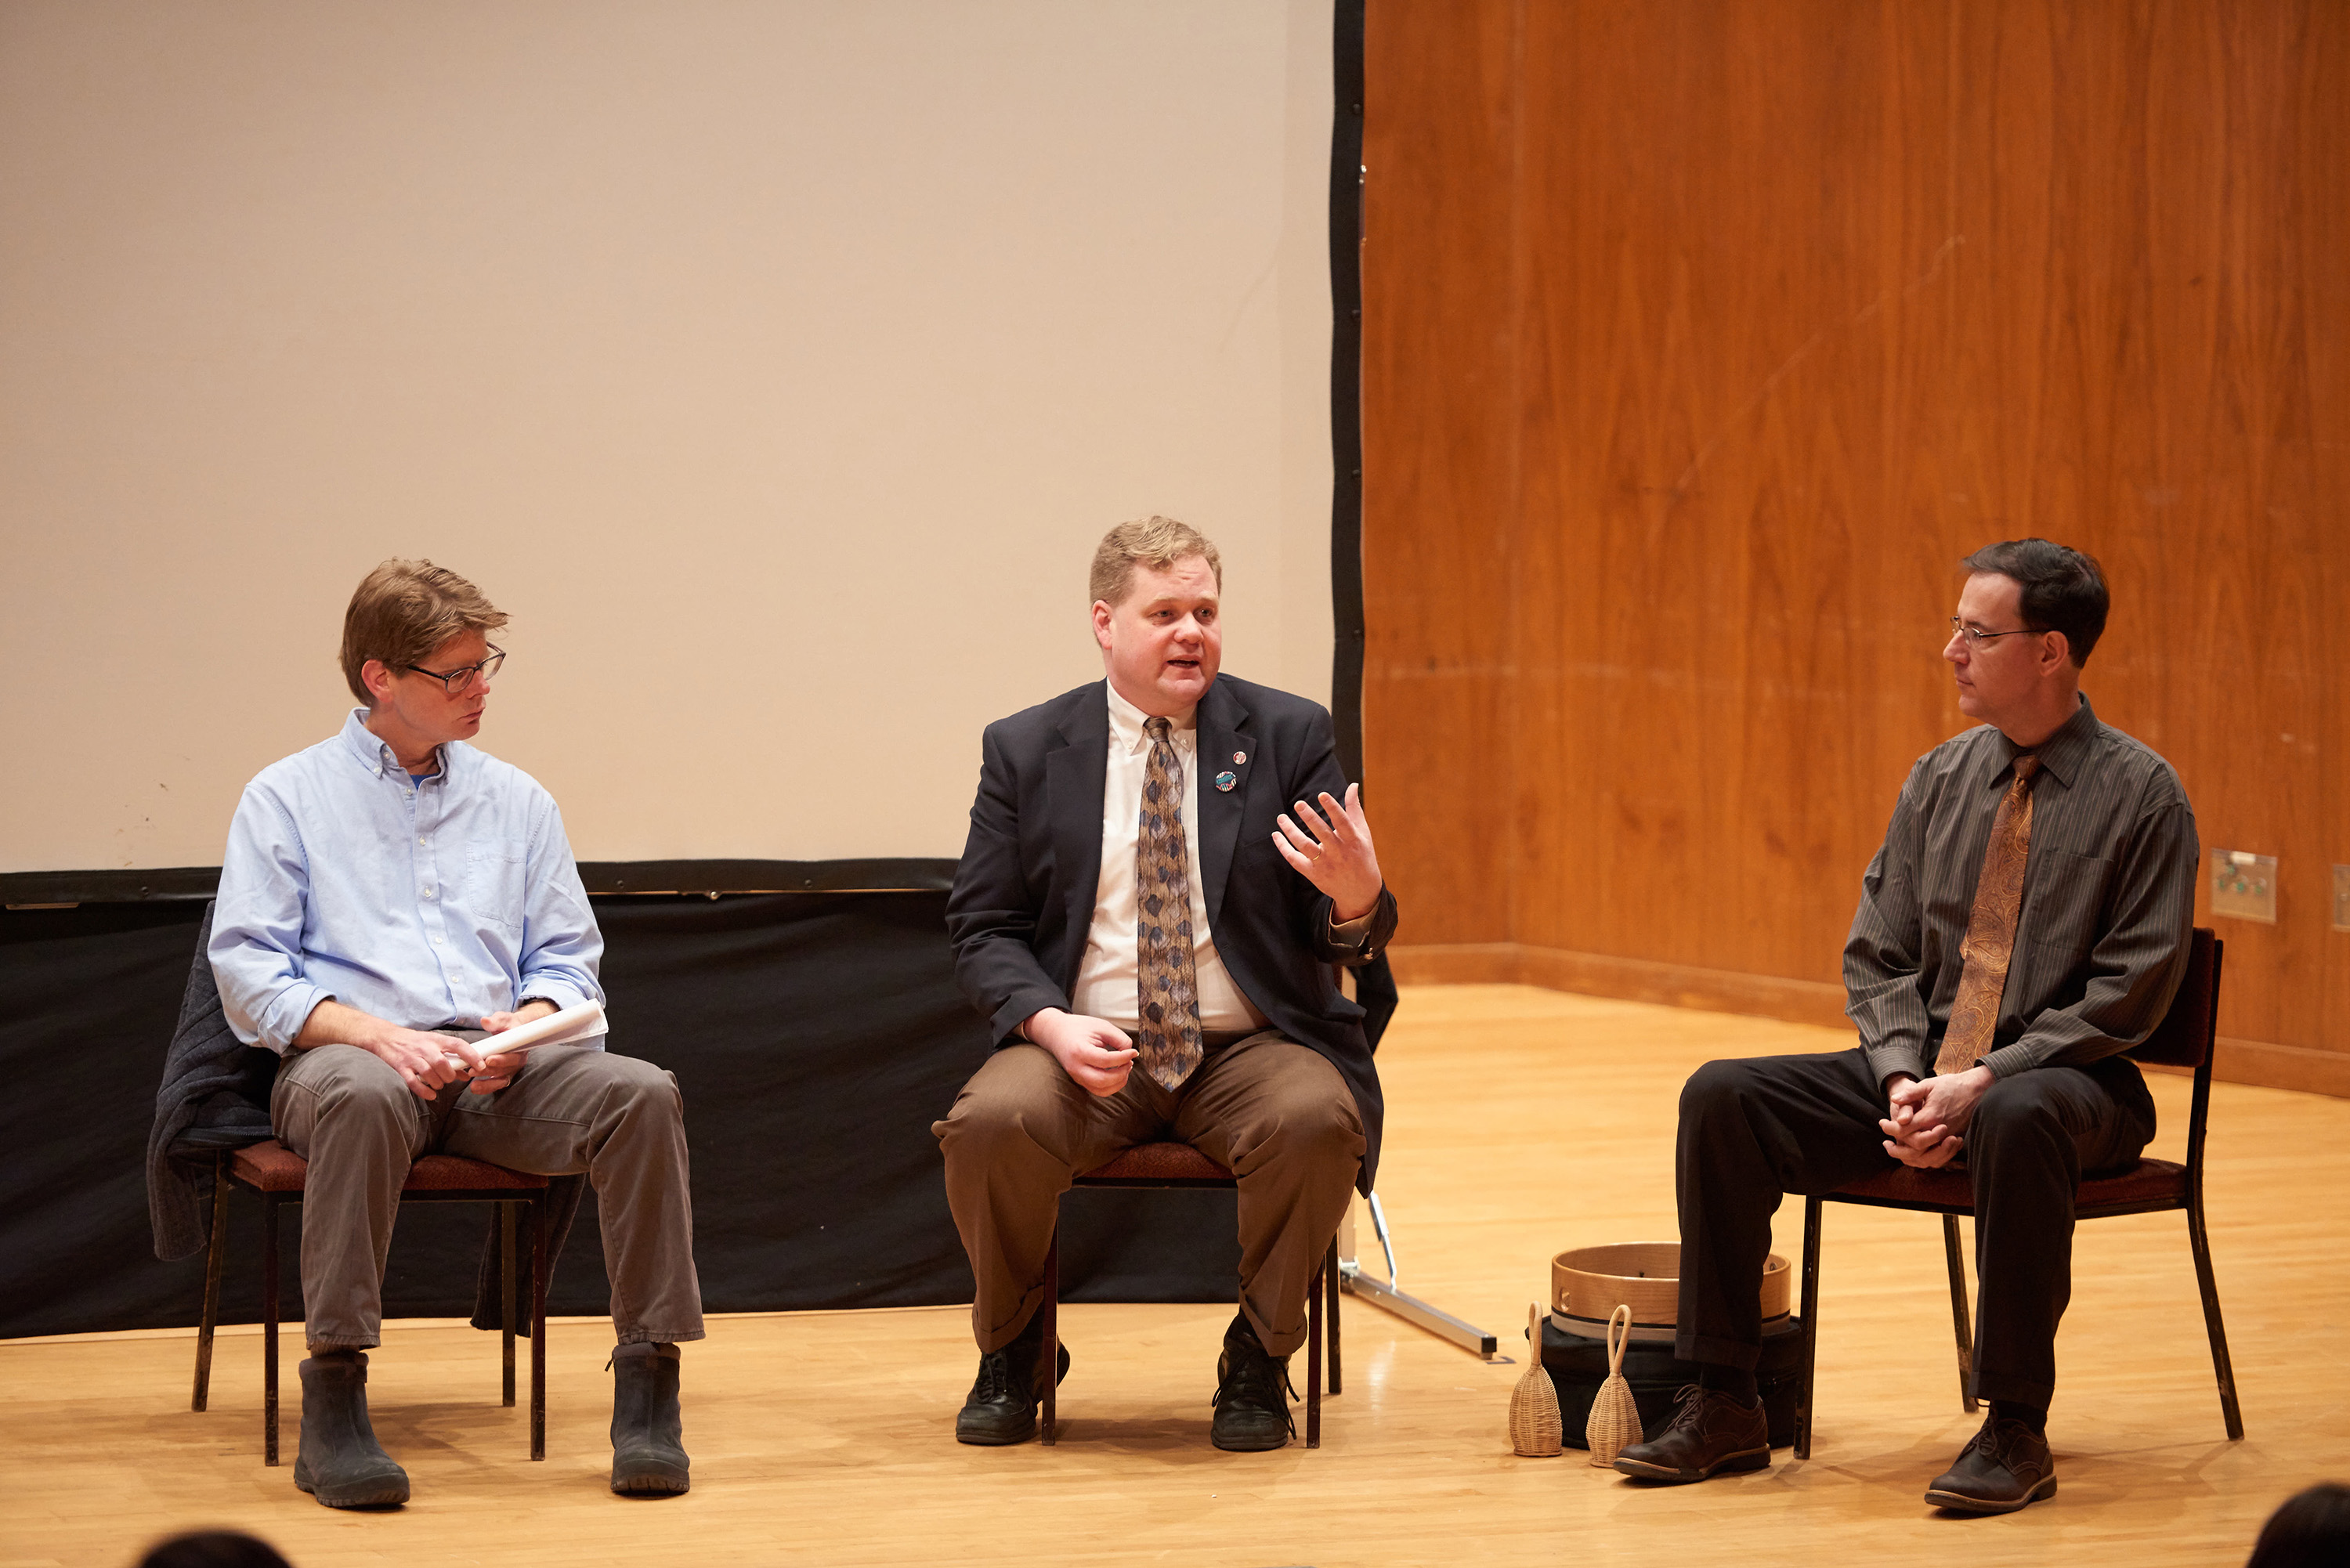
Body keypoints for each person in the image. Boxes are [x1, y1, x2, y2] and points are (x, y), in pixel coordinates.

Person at [1613, 540, 2197, 1513]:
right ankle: (1725, 1398)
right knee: (1724, 1094)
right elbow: (1876, 956)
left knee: (2014, 1116)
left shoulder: (2143, 794)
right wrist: (1899, 1079)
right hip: (1922, 1071)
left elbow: (2131, 990)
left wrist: (1986, 1078)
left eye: (1979, 631)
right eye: (1957, 627)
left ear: (2051, 651)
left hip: (2074, 1084)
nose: (1951, 649)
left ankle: (2014, 1424)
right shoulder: (1938, 778)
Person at [209, 559, 701, 1506]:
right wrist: (380, 1037)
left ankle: (648, 1384)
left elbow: (568, 960)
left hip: (495, 1079)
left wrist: (527, 1027)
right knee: (359, 1091)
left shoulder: (518, 801)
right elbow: (251, 974)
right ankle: (337, 1398)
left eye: (487, 666)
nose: (482, 689)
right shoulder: (287, 797)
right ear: (379, 678)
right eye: (457, 673)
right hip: (345, 1061)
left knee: (641, 1091)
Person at [935, 516, 1398, 1451]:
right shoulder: (1027, 748)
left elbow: (1344, 928)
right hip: (1087, 1049)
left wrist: (1358, 901)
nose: (1191, 632)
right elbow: (983, 926)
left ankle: (1261, 1354)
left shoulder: (1287, 734)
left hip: (1251, 1046)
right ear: (1105, 623)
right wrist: (1049, 1026)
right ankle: (1017, 1343)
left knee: (1316, 1118)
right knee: (987, 1124)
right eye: (1165, 613)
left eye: (1206, 612)